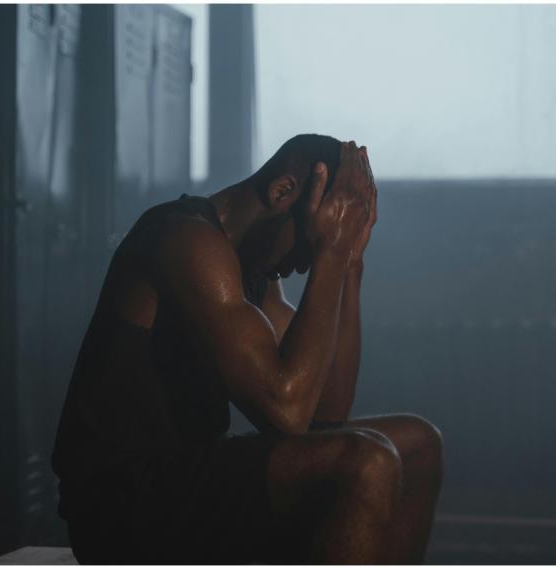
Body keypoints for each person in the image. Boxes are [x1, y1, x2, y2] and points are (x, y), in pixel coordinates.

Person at [51, 135, 442, 564]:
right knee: (367, 462)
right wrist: (329, 253)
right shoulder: (184, 239)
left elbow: (326, 415)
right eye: (308, 240)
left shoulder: (256, 274)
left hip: (185, 481)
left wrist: (348, 262)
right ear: (282, 193)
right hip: (120, 506)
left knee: (417, 445)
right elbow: (288, 412)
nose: (304, 264)